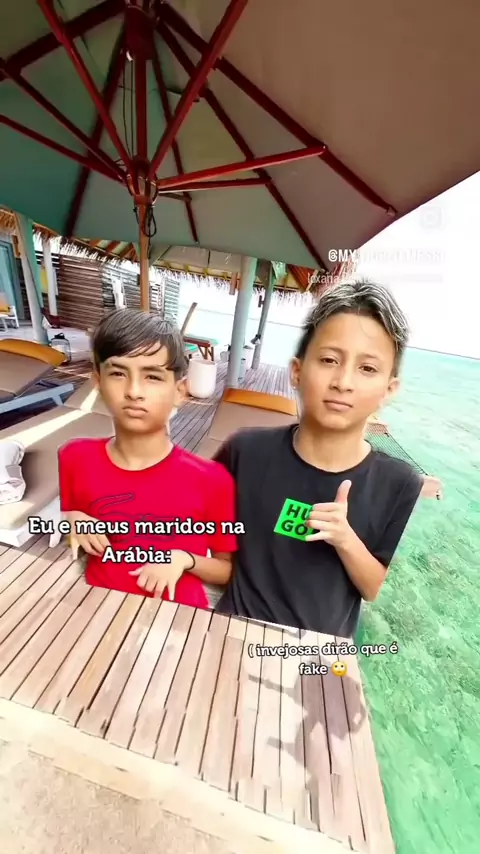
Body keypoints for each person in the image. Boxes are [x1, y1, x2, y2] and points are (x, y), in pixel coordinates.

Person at [213, 279, 424, 636]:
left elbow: (372, 588)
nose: (343, 382)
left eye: (367, 369)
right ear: (297, 371)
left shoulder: (400, 483)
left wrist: (344, 538)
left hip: (318, 653)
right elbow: (189, 517)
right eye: (328, 360)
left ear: (389, 389)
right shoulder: (244, 451)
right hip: (232, 631)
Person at [58, 309, 237, 609]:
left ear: (179, 391)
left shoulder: (211, 479)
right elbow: (74, 527)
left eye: (152, 376)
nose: (134, 391)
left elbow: (226, 571)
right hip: (97, 607)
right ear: (98, 382)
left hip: (174, 619)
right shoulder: (75, 456)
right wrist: (71, 519)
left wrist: (184, 559)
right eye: (118, 373)